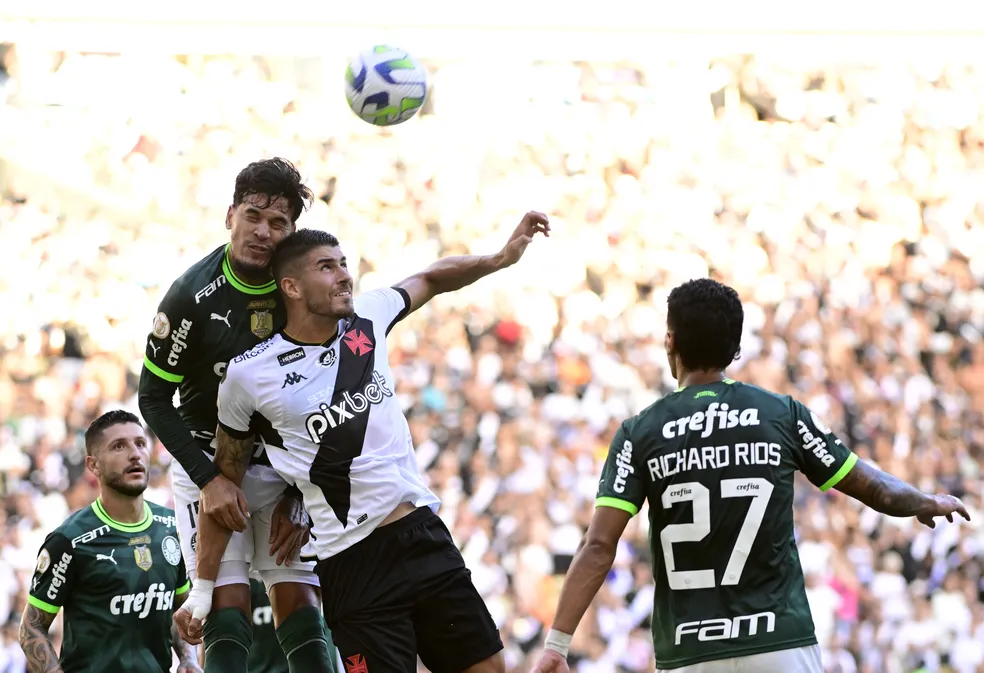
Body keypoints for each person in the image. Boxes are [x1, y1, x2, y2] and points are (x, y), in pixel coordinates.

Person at [530, 277, 971, 673]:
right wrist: (925, 501)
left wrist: (557, 643)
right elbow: (872, 486)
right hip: (779, 642)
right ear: (736, 349)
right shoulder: (781, 414)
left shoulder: (639, 433)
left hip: (689, 652)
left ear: (670, 341)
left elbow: (599, 544)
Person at [181, 214, 550, 673]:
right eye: (327, 267)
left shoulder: (368, 318)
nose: (343, 275)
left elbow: (430, 278)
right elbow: (224, 485)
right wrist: (201, 588)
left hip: (422, 537)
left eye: (343, 263)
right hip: (352, 564)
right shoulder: (251, 375)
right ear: (292, 287)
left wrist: (498, 258)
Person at [137, 157, 336, 673]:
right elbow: (154, 398)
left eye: (278, 223)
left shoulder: (300, 288)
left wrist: (301, 490)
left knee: (299, 601)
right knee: (226, 608)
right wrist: (209, 481)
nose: (263, 232)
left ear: (292, 231)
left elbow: (329, 391)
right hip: (208, 462)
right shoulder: (190, 297)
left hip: (284, 467)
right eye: (253, 216)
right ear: (231, 215)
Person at [18, 410, 201, 673]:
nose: (135, 454)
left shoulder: (172, 528)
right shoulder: (70, 540)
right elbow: (31, 627)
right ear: (93, 465)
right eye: (118, 446)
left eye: (140, 443)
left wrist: (188, 659)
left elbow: (178, 610)